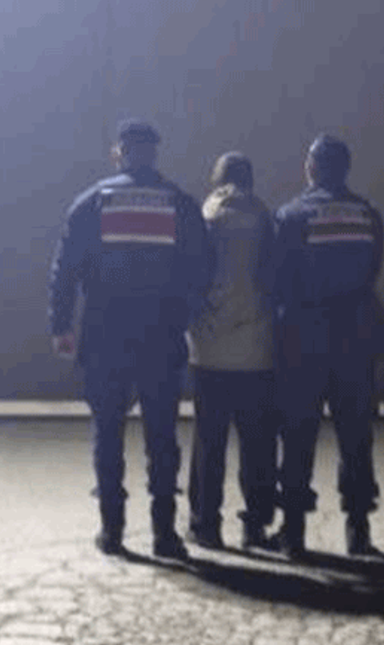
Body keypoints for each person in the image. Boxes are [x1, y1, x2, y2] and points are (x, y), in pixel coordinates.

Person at [49, 118, 211, 560]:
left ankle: (112, 530)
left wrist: (61, 325)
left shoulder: (91, 202)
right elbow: (202, 268)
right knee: (162, 436)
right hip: (161, 336)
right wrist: (184, 315)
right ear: (153, 154)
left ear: (118, 153)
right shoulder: (180, 204)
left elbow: (65, 269)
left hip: (105, 334)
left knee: (108, 432)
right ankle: (165, 534)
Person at [270, 134, 384, 558]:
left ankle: (294, 533)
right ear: (346, 168)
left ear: (310, 167)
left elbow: (279, 279)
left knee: (298, 435)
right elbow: (373, 269)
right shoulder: (368, 215)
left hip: (304, 340)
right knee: (356, 436)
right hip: (355, 339)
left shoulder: (292, 216)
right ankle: (358, 531)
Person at [185, 152, 284, 552]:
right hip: (257, 350)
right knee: (257, 444)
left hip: (208, 351)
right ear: (250, 181)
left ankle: (205, 525)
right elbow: (277, 280)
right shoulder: (266, 220)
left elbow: (189, 279)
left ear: (218, 180)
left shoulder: (202, 218)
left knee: (209, 442)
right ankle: (255, 527)